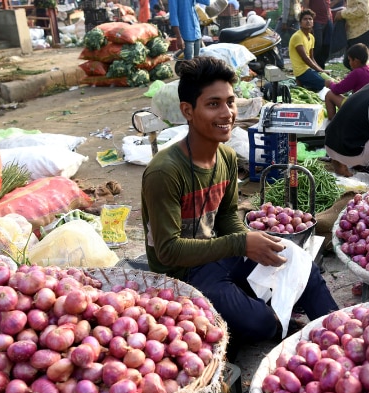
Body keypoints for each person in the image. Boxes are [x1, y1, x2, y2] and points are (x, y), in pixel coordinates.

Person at [141, 56, 338, 343]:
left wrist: (252, 243)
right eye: (213, 104)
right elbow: (168, 252)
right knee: (258, 323)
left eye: (230, 102)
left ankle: (339, 331)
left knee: (298, 261)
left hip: (216, 256)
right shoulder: (165, 172)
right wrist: (242, 243)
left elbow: (226, 217)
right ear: (188, 111)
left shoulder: (226, 157)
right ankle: (279, 323)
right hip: (181, 273)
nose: (227, 113)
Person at [324, 43, 369, 119]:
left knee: (330, 94)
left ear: (356, 61)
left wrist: (330, 84)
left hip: (360, 109)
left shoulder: (357, 73)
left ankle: (333, 124)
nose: (349, 63)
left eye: (349, 60)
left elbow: (337, 90)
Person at [289, 9, 327, 91]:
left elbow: (311, 57)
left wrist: (321, 71)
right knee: (324, 83)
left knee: (327, 80)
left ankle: (304, 84)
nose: (308, 21)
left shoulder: (311, 37)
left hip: (309, 69)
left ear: (313, 22)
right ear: (300, 23)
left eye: (310, 19)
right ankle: (301, 82)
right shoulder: (297, 36)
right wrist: (319, 70)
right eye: (305, 19)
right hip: (301, 71)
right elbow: (305, 58)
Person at [334, 0, 369, 70]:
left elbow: (362, 9)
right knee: (351, 62)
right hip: (357, 30)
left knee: (355, 62)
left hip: (362, 30)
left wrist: (342, 14)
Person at [303, 0, 333, 68]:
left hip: (327, 20)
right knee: (317, 45)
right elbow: (306, 5)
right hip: (316, 20)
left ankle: (320, 65)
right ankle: (313, 66)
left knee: (328, 45)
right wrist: (308, 21)